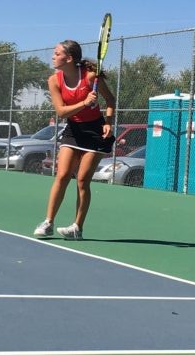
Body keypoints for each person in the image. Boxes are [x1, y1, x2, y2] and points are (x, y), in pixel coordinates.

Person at [33, 40, 115, 240]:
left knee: (82, 180)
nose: (53, 56)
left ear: (68, 58)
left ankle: (77, 227)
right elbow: (61, 112)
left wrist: (108, 122)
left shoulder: (90, 77)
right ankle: (48, 222)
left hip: (95, 131)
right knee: (61, 176)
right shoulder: (54, 80)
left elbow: (110, 100)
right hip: (73, 130)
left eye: (56, 53)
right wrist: (84, 102)